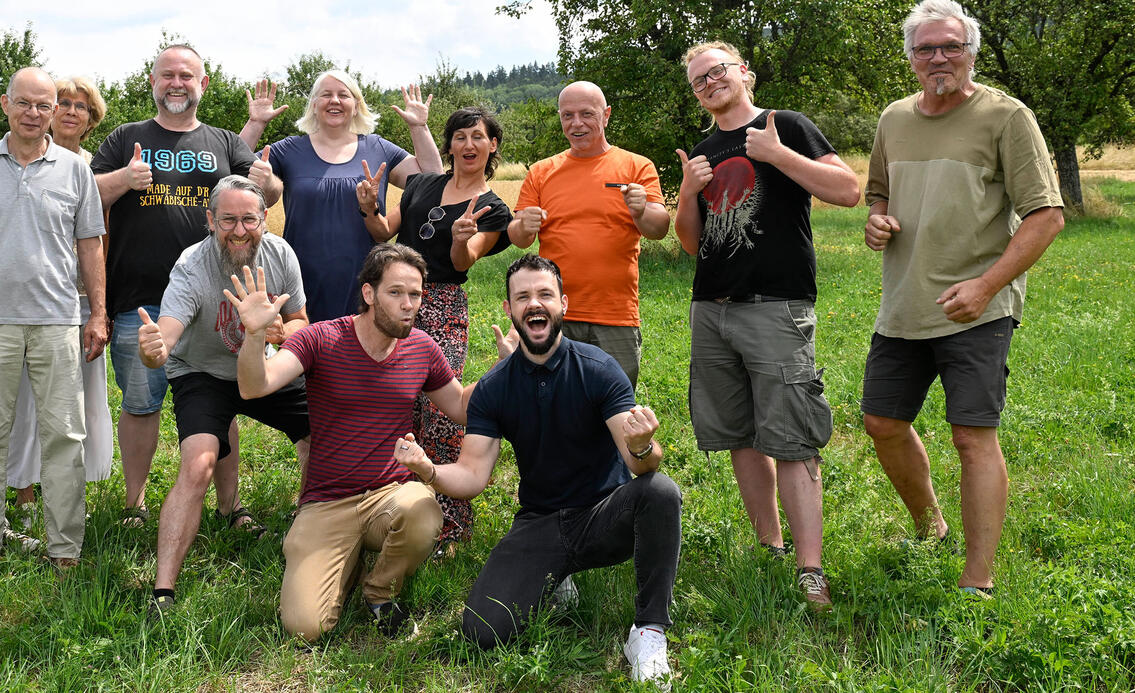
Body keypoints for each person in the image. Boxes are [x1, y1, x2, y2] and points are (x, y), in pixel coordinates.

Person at [393, 254, 681, 689]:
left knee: (659, 491)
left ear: (563, 303)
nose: (534, 304)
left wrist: (643, 445)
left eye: (545, 294)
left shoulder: (599, 369)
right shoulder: (494, 389)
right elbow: (471, 477)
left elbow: (640, 463)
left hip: (605, 516)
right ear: (509, 309)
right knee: (482, 633)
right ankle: (557, 576)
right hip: (541, 521)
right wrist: (429, 470)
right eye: (522, 296)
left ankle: (648, 632)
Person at [862, 0, 1064, 599]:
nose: (938, 57)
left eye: (951, 46)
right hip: (903, 303)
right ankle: (931, 526)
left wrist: (985, 286)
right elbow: (878, 192)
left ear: (971, 51)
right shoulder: (893, 118)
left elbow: (1046, 216)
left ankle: (978, 577)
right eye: (925, 48)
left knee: (971, 435)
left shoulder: (1006, 116)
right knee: (882, 422)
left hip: (977, 305)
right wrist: (877, 221)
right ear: (911, 57)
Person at [673, 42, 861, 608]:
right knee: (739, 434)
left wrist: (778, 155)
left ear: (745, 74)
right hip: (711, 309)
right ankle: (769, 546)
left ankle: (810, 567)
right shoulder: (705, 150)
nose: (709, 83)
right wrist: (687, 191)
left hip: (775, 306)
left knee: (793, 437)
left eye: (718, 72)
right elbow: (692, 244)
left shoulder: (786, 127)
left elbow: (847, 191)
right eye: (698, 81)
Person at [229, 244, 475, 641]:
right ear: (368, 293)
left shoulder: (422, 348)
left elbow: (461, 407)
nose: (408, 304)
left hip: (390, 496)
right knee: (304, 627)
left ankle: (379, 592)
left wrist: (509, 370)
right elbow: (254, 386)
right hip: (327, 502)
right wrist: (255, 335)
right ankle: (344, 556)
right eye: (395, 293)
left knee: (424, 510)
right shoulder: (322, 339)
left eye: (415, 294)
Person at [90, 44, 279, 529]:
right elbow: (85, 194)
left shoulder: (223, 142)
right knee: (141, 401)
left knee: (220, 400)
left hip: (216, 297)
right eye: (168, 74)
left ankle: (229, 506)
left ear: (203, 85)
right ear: (152, 82)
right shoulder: (124, 137)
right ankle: (134, 507)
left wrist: (269, 182)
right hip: (142, 300)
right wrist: (122, 179)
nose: (177, 82)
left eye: (187, 75)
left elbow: (263, 197)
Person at [0, 67, 108, 569]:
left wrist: (96, 313)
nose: (34, 113)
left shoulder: (75, 171)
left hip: (58, 322)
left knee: (64, 437)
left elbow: (90, 245)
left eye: (44, 105)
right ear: (6, 104)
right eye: (24, 103)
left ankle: (65, 550)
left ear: (56, 111)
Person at [137, 175, 312, 609]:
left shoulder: (280, 254)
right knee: (197, 465)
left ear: (265, 219)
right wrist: (154, 350)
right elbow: (167, 339)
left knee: (319, 436)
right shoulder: (192, 265)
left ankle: (309, 534)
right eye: (228, 220)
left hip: (263, 369)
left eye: (248, 220)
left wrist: (280, 330)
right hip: (203, 373)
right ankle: (163, 590)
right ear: (210, 221)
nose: (239, 230)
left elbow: (301, 321)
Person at [359, 107, 513, 553]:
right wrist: (370, 207)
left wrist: (462, 237)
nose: (468, 145)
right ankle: (396, 508)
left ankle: (451, 522)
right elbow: (384, 233)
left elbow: (465, 261)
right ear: (448, 146)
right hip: (393, 297)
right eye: (460, 137)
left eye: (478, 137)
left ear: (492, 146)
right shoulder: (423, 184)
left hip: (443, 302)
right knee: (392, 399)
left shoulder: (494, 208)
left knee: (442, 408)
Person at [3, 76, 115, 546]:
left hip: (79, 302)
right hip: (27, 302)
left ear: (91, 120)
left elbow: (99, 240)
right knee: (26, 403)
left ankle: (67, 495)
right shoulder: (20, 158)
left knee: (78, 405)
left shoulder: (93, 168)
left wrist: (99, 310)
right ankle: (25, 497)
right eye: (62, 103)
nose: (70, 111)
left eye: (80, 106)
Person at [240, 71, 442, 321]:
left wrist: (419, 127)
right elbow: (232, 171)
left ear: (356, 106)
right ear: (314, 105)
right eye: (326, 95)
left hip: (365, 284)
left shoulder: (378, 148)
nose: (334, 100)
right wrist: (256, 123)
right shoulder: (289, 150)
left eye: (343, 95)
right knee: (302, 354)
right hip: (301, 282)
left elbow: (433, 179)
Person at [509, 82, 670, 386]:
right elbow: (519, 237)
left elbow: (659, 228)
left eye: (587, 114)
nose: (576, 123)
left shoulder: (636, 166)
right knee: (553, 403)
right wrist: (524, 224)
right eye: (567, 115)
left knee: (615, 408)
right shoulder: (542, 172)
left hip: (615, 315)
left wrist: (640, 211)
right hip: (554, 312)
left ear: (606, 115)